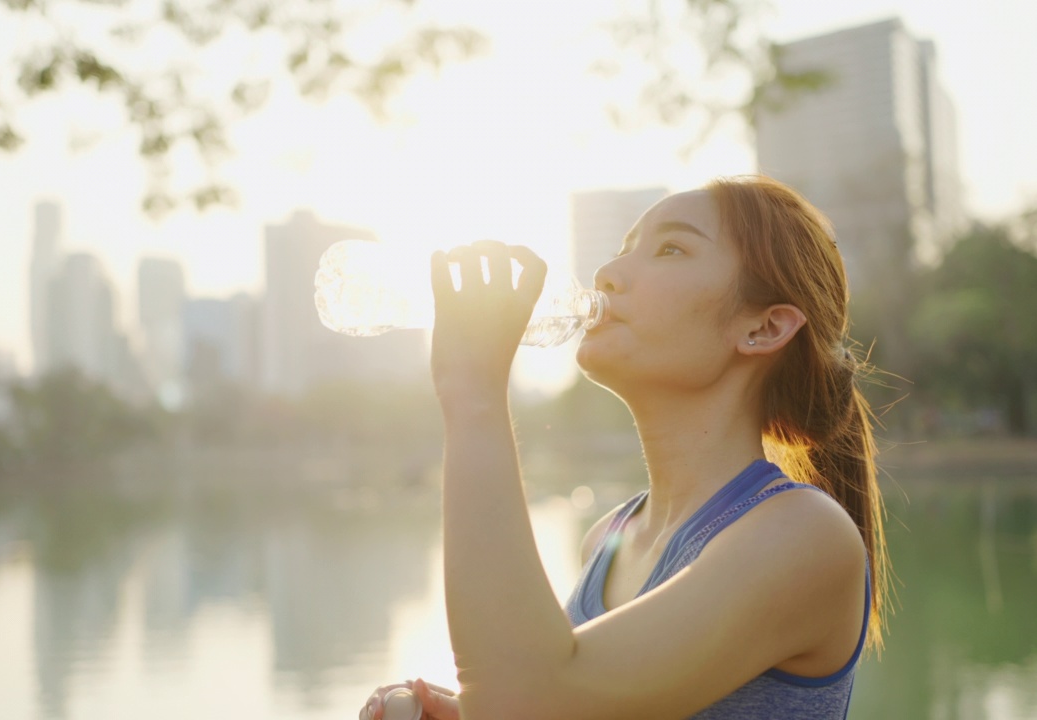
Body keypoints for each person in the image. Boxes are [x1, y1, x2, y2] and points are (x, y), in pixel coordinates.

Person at [360, 175, 890, 720]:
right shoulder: (606, 541)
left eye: (670, 248)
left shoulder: (804, 537)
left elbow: (524, 697)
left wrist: (473, 394)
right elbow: (532, 701)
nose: (607, 274)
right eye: (621, 251)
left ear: (764, 327)